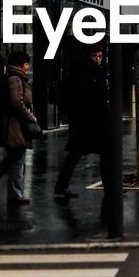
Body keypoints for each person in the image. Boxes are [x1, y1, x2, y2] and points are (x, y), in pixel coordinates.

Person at [0, 49, 39, 205]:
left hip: (11, 124)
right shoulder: (15, 79)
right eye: (27, 64)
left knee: (14, 157)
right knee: (18, 157)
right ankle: (14, 194)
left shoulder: (15, 77)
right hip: (14, 125)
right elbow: (16, 102)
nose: (28, 67)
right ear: (20, 65)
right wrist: (30, 116)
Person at [54, 45, 110, 201]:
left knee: (76, 154)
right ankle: (109, 189)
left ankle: (61, 185)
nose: (98, 59)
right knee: (104, 153)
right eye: (95, 56)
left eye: (100, 56)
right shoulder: (89, 74)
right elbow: (94, 96)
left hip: (82, 122)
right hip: (90, 122)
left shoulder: (80, 72)